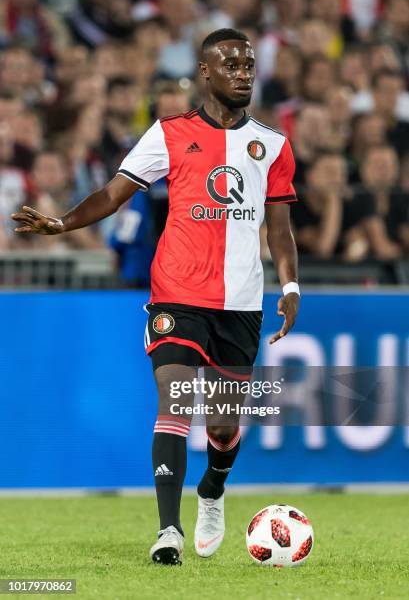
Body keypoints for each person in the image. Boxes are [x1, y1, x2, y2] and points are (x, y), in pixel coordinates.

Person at [11, 28, 300, 565]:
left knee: (221, 423)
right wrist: (63, 222)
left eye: (249, 64)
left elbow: (278, 229)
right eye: (231, 65)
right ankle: (169, 531)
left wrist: (289, 284)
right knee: (174, 398)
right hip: (176, 291)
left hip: (239, 300)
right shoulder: (168, 133)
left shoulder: (274, 145)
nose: (243, 73)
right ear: (206, 73)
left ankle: (212, 492)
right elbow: (113, 193)